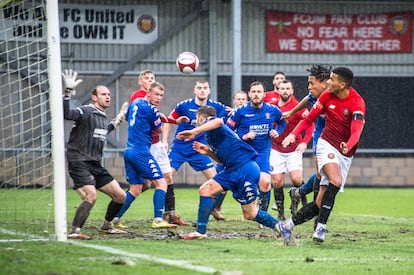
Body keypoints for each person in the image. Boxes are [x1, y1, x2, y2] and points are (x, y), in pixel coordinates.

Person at [279, 67, 366, 244]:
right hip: (326, 144)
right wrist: (293, 135)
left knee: (320, 203)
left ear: (342, 84)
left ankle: (287, 225)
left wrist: (347, 146)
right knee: (335, 180)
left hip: (345, 152)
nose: (328, 82)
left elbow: (356, 132)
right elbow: (309, 118)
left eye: (332, 80)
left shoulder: (357, 103)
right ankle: (321, 227)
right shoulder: (326, 96)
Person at [176, 106, 284, 239]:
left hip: (245, 169)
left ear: (200, 117)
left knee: (250, 214)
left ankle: (282, 227)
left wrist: (194, 131)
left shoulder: (212, 123)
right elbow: (222, 160)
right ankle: (200, 232)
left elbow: (219, 121)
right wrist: (208, 152)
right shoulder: (210, 136)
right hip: (232, 169)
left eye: (197, 120)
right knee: (205, 190)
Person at [62, 69, 129, 239]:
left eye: (108, 94)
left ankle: (107, 226)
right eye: (103, 94)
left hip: (95, 165)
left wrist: (118, 120)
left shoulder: (101, 117)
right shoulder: (86, 111)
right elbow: (67, 114)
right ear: (94, 97)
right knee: (91, 196)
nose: (108, 96)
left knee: (120, 196)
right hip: (79, 162)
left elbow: (104, 131)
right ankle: (75, 231)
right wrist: (67, 94)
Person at [119, 69, 189, 226]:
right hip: (145, 147)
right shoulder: (138, 98)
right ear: (141, 83)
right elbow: (155, 121)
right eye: (147, 78)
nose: (150, 80)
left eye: (152, 78)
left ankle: (169, 214)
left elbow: (157, 116)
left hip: (153, 145)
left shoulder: (145, 102)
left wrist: (173, 121)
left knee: (167, 177)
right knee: (147, 185)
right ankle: (154, 217)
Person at [162, 80, 229, 221]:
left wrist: (237, 109)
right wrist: (165, 140)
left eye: (205, 88)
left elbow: (230, 114)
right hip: (179, 148)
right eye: (199, 88)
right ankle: (168, 212)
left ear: (209, 90)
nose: (202, 90)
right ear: (195, 90)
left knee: (219, 181)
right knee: (165, 178)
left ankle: (213, 209)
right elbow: (168, 120)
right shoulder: (184, 105)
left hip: (199, 149)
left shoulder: (216, 107)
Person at [226, 81, 286, 220]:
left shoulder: (272, 110)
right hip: (244, 153)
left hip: (263, 152)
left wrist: (277, 131)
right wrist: (243, 136)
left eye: (259, 92)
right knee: (244, 183)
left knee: (265, 182)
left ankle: (263, 216)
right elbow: (228, 130)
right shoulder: (240, 111)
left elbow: (283, 122)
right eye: (253, 92)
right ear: (249, 94)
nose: (256, 94)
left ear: (264, 94)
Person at [282, 65, 331, 217]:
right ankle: (318, 217)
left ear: (324, 83)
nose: (308, 87)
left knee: (328, 177)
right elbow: (307, 102)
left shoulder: (335, 94)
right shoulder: (315, 96)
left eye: (311, 83)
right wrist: (291, 112)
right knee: (321, 174)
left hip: (336, 137)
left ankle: (299, 192)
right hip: (321, 136)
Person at [269, 80, 313, 220]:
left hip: (294, 149)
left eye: (288, 88)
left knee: (296, 179)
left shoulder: (298, 105)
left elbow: (310, 124)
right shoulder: (272, 107)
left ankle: (298, 201)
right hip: (276, 148)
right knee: (277, 181)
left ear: (292, 91)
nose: (285, 91)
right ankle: (281, 214)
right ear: (278, 90)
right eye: (282, 89)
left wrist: (305, 142)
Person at [212, 90, 249, 219]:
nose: (240, 102)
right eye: (238, 99)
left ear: (247, 101)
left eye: (243, 99)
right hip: (227, 155)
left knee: (246, 182)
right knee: (220, 181)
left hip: (244, 156)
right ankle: (215, 208)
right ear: (234, 101)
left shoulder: (250, 116)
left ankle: (249, 210)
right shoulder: (226, 116)